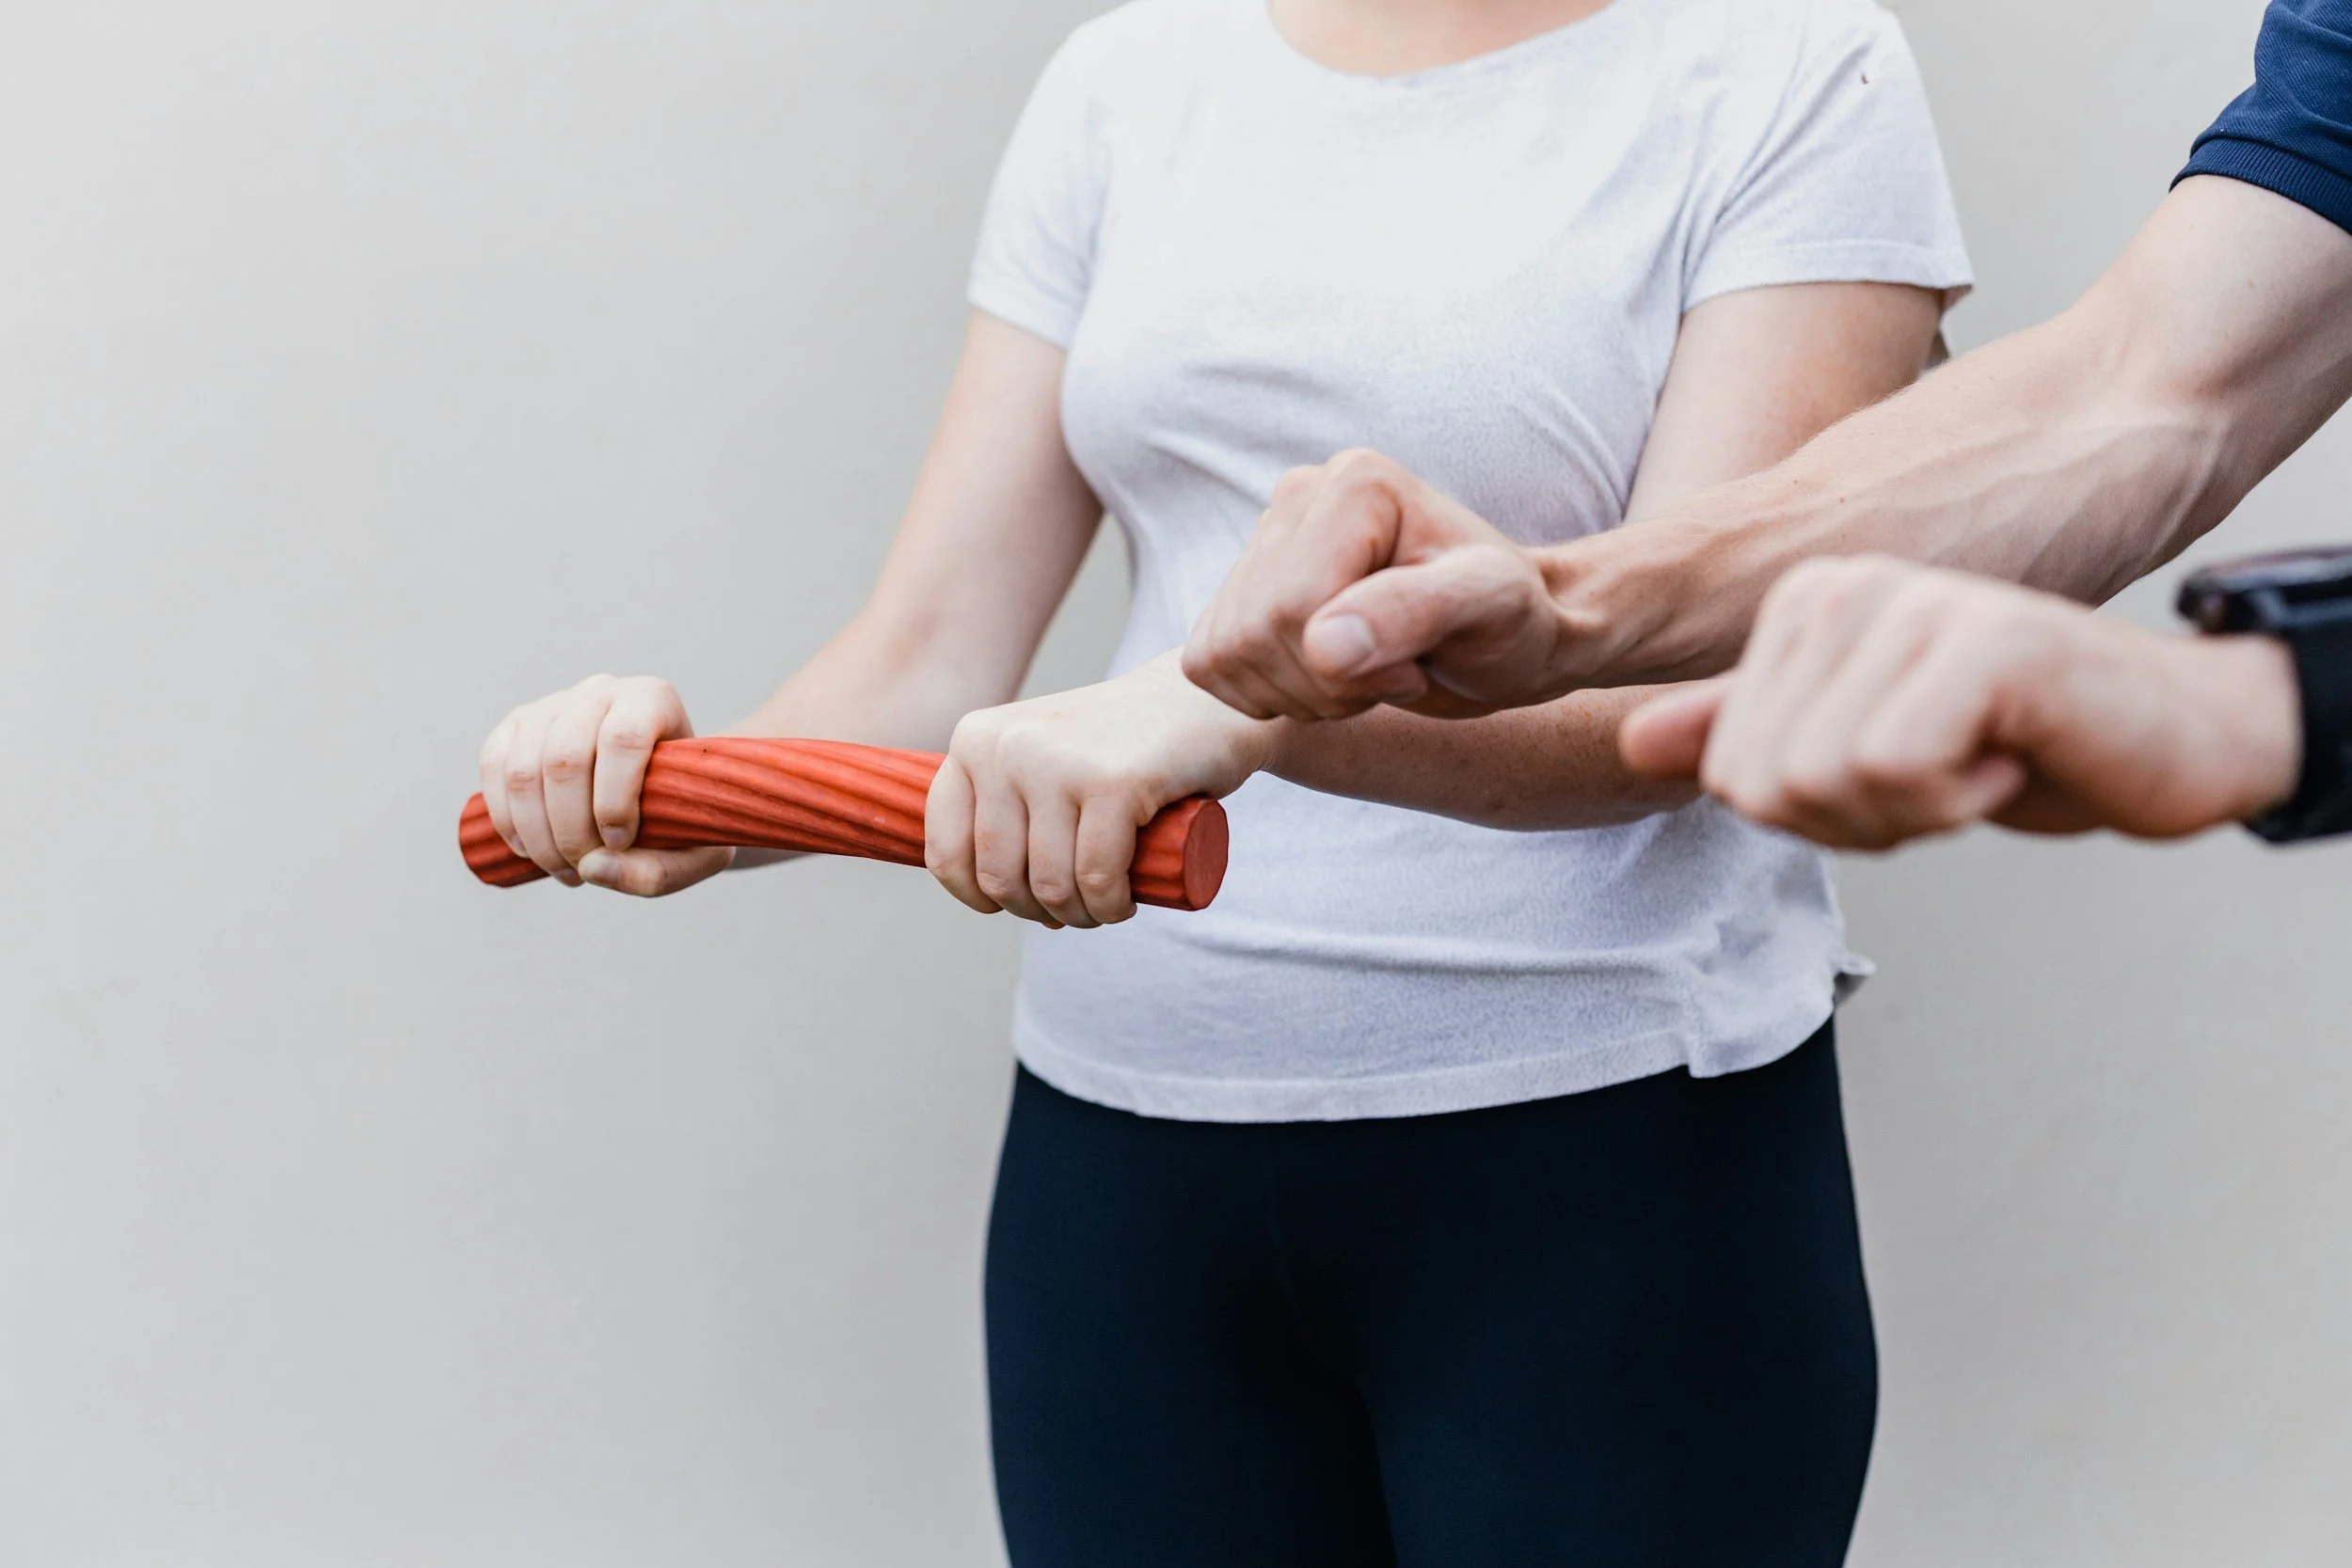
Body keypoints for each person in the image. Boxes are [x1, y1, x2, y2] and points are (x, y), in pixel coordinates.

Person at [475, 0, 1972, 1560]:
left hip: (1599, 1167)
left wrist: (1234, 715)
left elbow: (1683, 697)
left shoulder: (1794, 67)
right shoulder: (1130, 79)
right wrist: (676, 786)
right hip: (1119, 1181)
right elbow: (928, 649)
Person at [1179, 0, 2352, 810]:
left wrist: (2248, 712)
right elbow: (2150, 387)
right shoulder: (1140, 72)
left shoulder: (1789, 61)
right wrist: (1565, 605)